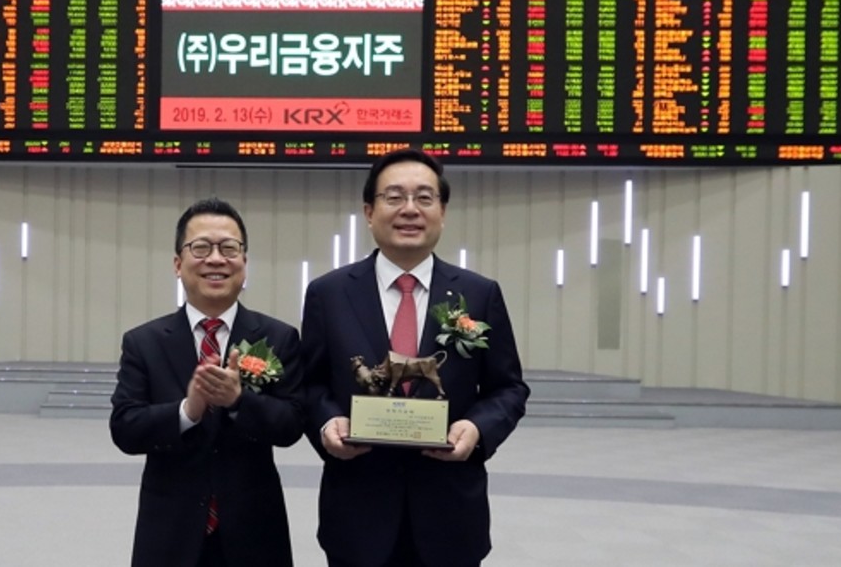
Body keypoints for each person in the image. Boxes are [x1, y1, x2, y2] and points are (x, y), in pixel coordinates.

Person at [301, 149, 530, 567]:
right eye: (394, 197)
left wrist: (476, 428)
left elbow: (508, 388)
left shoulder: (479, 294)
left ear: (443, 212)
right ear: (369, 212)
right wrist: (326, 422)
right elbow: (311, 383)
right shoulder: (328, 293)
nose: (410, 209)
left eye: (424, 197)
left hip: (450, 514)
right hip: (357, 511)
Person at [110, 198, 303, 567]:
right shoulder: (144, 342)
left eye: (229, 248)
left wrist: (238, 401)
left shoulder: (278, 337)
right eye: (201, 248)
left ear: (244, 262)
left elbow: (292, 424)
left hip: (255, 532)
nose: (216, 259)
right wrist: (188, 411)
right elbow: (125, 429)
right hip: (169, 533)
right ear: (177, 264)